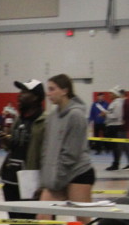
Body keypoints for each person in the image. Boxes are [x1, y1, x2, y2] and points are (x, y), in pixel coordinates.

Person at [0, 80, 47, 225]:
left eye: (25, 92)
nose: (20, 96)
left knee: (33, 222)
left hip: (31, 178)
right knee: (15, 222)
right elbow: (18, 145)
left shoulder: (44, 121)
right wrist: (8, 142)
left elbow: (45, 152)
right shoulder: (19, 119)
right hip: (11, 176)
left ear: (36, 97)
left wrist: (44, 182)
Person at [39, 74, 95, 207]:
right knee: (43, 215)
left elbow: (71, 153)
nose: (48, 94)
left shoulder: (76, 116)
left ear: (65, 91)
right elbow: (46, 148)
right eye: (48, 89)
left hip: (78, 173)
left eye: (52, 89)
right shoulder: (51, 117)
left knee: (82, 216)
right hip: (57, 176)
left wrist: (57, 179)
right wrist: (47, 178)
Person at [103, 87, 125, 170]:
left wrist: (106, 114)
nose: (109, 95)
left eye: (111, 93)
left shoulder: (118, 103)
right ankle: (115, 163)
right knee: (114, 146)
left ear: (115, 94)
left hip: (115, 126)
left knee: (116, 146)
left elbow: (116, 115)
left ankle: (116, 164)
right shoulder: (113, 103)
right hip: (111, 126)